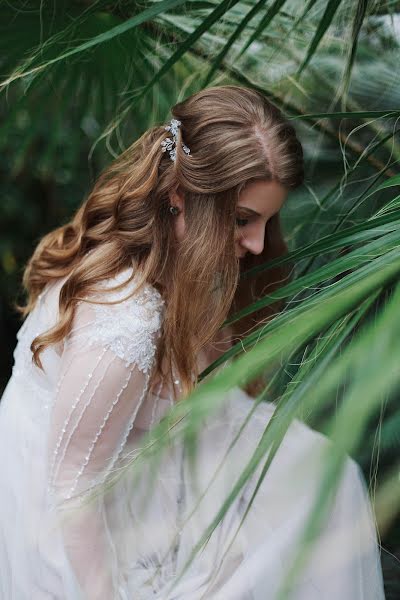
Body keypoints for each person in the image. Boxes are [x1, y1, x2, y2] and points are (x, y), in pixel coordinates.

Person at [0, 85, 385, 599]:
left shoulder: (166, 249)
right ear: (179, 196)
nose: (255, 243)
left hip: (151, 450)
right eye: (243, 220)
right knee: (310, 509)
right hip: (79, 513)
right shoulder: (123, 326)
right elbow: (71, 488)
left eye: (266, 221)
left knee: (326, 473)